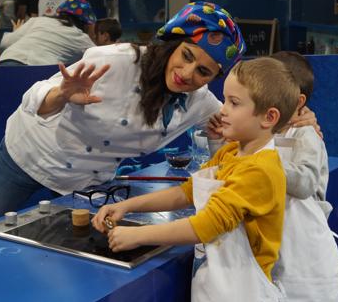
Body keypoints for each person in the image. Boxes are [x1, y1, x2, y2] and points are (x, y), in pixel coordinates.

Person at [0, 1, 318, 227]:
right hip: (29, 155)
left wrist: (297, 120)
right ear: (172, 43)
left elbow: (247, 120)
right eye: (187, 55)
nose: (188, 74)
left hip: (84, 181)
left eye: (204, 72)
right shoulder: (115, 61)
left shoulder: (199, 101)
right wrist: (62, 94)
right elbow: (33, 99)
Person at [92, 57, 300, 301]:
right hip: (217, 282)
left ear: (269, 117)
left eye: (234, 103)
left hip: (244, 290)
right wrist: (125, 206)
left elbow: (206, 226)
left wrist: (138, 235)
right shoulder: (230, 152)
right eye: (224, 100)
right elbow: (187, 193)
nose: (222, 109)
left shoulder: (260, 170)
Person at [269, 51, 338, 301]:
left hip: (305, 255)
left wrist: (260, 163)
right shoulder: (261, 129)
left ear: (298, 100)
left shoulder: (306, 135)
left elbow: (305, 183)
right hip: (275, 248)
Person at [0, 0, 96, 66]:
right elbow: (99, 57)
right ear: (85, 22)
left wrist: (16, 32)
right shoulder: (81, 38)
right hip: (36, 68)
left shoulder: (39, 20)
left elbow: (5, 43)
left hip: (7, 60)